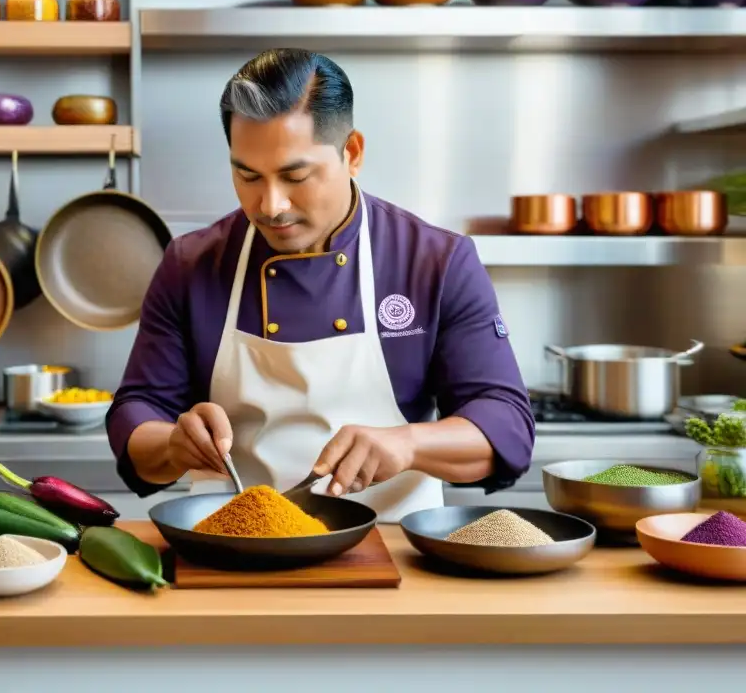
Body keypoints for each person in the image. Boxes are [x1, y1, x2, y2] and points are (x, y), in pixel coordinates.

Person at [106, 48, 535, 522]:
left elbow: (507, 427)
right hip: (229, 550)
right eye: (247, 175)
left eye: (296, 175)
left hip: (391, 552)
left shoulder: (435, 261)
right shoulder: (191, 264)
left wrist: (408, 444)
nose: (270, 205)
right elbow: (137, 412)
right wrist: (172, 443)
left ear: (351, 153)